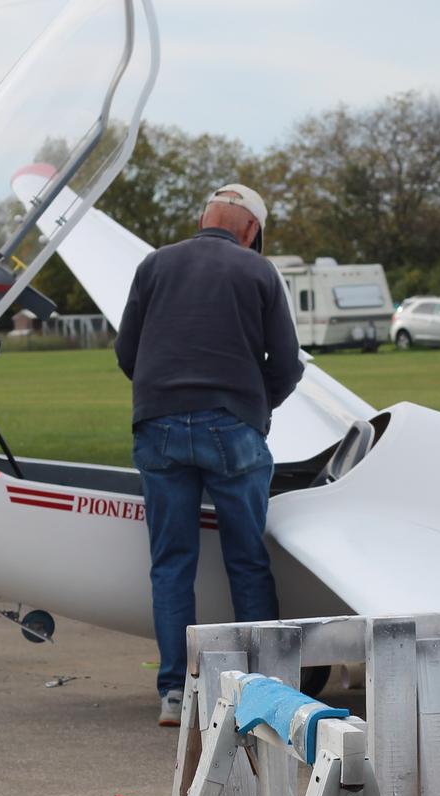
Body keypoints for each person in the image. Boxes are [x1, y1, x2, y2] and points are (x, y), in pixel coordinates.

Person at [115, 183, 303, 725]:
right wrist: (253, 408)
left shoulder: (154, 265)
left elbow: (127, 353)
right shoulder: (258, 272)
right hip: (233, 427)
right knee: (247, 558)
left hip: (158, 425)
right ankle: (266, 689)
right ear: (251, 230)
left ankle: (175, 692)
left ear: (204, 218)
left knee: (172, 563)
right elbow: (286, 364)